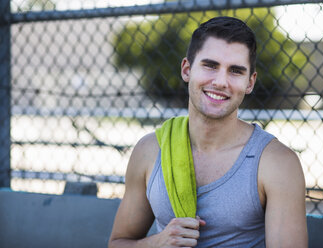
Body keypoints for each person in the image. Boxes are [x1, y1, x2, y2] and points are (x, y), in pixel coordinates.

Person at [108, 16, 308, 248]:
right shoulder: (150, 150)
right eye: (210, 66)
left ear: (250, 83)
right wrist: (157, 243)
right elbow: (117, 244)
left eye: (235, 71)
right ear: (186, 69)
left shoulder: (277, 163)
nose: (221, 81)